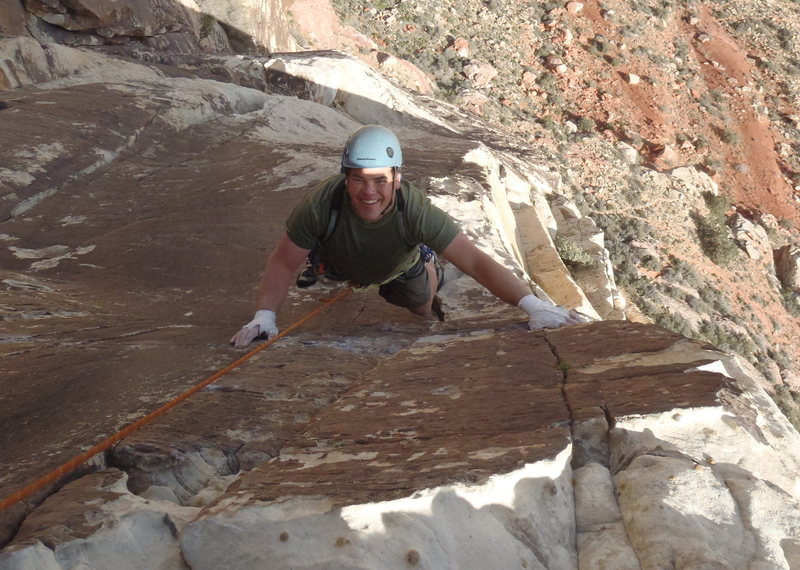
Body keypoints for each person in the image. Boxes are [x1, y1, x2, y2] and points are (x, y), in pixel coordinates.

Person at [231, 125, 585, 347]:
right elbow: (282, 261)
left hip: (397, 266)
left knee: (421, 307)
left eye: (380, 180)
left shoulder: (414, 210)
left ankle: (425, 260)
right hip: (340, 260)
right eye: (358, 179)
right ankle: (341, 267)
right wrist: (264, 316)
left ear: (396, 180)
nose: (369, 191)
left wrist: (533, 306)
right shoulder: (322, 205)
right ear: (346, 178)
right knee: (330, 270)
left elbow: (475, 260)